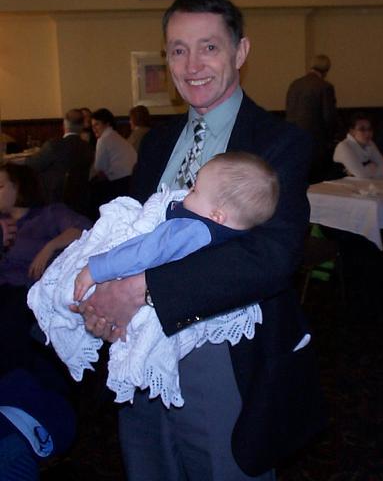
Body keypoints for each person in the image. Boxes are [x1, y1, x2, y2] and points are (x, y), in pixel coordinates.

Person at [74, 0, 326, 480]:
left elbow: (272, 257)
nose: (192, 65)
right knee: (148, 466)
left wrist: (141, 289)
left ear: (240, 51)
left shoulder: (279, 141)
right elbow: (133, 231)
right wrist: (103, 301)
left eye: (209, 47)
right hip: (138, 351)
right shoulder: (156, 142)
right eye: (178, 50)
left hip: (222, 357)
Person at [29, 152, 279, 408]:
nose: (187, 193)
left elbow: (142, 252)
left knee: (70, 283)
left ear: (216, 215)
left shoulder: (189, 229)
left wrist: (96, 268)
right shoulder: (227, 233)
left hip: (148, 290)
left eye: (194, 190)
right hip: (166, 300)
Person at [0, 163, 91, 378]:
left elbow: (84, 228)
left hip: (26, 291)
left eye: (0, 186)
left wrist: (50, 246)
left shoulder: (48, 215)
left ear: (19, 188)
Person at [25, 108, 94, 209]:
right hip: (80, 199)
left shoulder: (53, 145)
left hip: (53, 198)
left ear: (64, 124)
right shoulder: (88, 148)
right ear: (82, 126)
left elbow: (32, 165)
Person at [285, 54, 337, 182]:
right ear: (326, 69)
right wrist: (332, 138)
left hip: (293, 140)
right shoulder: (325, 87)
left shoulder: (295, 84)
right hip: (316, 142)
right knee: (317, 181)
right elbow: (329, 117)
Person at [89, 107, 137, 217]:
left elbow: (99, 167)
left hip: (119, 184)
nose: (94, 129)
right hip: (131, 180)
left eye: (97, 124)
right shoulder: (116, 136)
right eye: (92, 126)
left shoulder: (104, 139)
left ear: (107, 124)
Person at [333, 112, 383, 178]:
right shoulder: (344, 146)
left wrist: (366, 169)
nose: (367, 133)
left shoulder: (370, 143)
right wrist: (372, 166)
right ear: (352, 131)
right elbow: (362, 175)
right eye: (362, 129)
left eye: (370, 129)